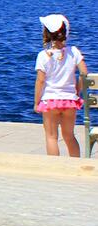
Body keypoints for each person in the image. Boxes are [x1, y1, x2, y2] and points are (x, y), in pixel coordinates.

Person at [34, 13, 87, 157]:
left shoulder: (43, 55)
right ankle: (76, 164)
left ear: (46, 34)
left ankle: (54, 167)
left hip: (50, 100)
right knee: (69, 136)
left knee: (51, 137)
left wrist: (36, 102)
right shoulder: (74, 52)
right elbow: (83, 72)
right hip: (69, 100)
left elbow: (40, 81)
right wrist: (77, 90)